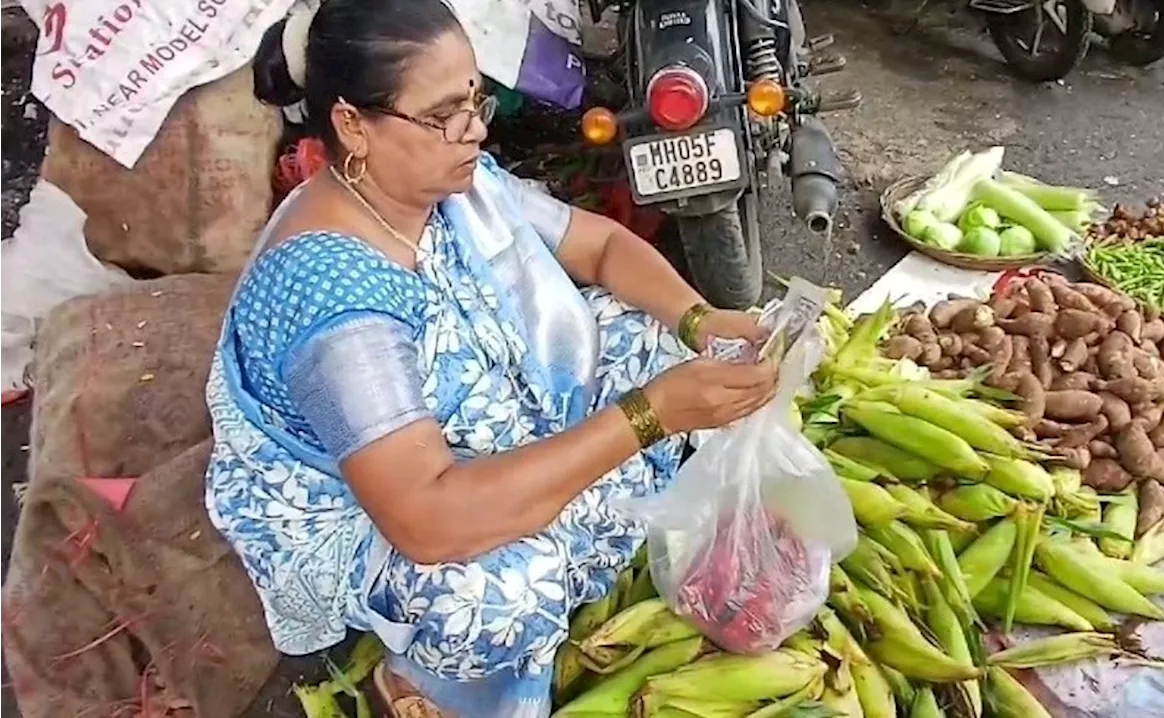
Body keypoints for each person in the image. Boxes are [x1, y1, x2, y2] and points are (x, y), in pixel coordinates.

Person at [204, 1, 778, 716]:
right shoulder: (331, 298)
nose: (476, 128)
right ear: (354, 125)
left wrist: (700, 319)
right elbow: (428, 520)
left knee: (652, 334)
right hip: (372, 507)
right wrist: (649, 415)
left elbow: (597, 248)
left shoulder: (450, 182)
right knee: (505, 592)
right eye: (444, 113)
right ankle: (416, 684)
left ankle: (567, 499)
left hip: (461, 435)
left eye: (474, 99)